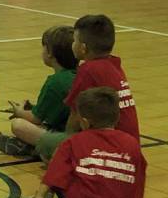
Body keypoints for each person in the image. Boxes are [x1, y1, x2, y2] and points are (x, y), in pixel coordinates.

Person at [23, 87, 146, 198]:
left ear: (85, 122)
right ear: (117, 117)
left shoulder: (73, 142)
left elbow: (55, 174)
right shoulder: (131, 143)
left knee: (63, 168)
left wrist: (39, 197)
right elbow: (139, 182)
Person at [38, 14, 139, 162]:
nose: (73, 44)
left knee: (42, 140)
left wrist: (65, 146)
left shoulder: (87, 70)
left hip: (106, 147)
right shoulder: (115, 64)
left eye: (75, 41)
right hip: (131, 147)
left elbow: (74, 118)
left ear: (83, 48)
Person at [0, 26, 78, 157]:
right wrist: (33, 108)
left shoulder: (55, 82)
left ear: (50, 52)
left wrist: (19, 112)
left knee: (18, 125)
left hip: (66, 136)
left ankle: (35, 149)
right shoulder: (79, 74)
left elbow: (36, 119)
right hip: (80, 133)